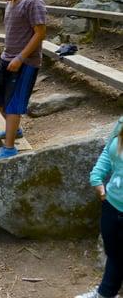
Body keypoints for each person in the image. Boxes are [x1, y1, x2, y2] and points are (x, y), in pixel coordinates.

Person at [0, 0, 46, 161]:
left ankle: (10, 148)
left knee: (13, 104)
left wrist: (21, 58)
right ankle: (15, 130)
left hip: (25, 62)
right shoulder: (11, 2)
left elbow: (40, 33)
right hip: (7, 57)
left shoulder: (33, 1)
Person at [75, 117, 123, 298]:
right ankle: (106, 294)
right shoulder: (122, 122)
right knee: (114, 253)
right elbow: (108, 151)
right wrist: (97, 176)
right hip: (112, 203)